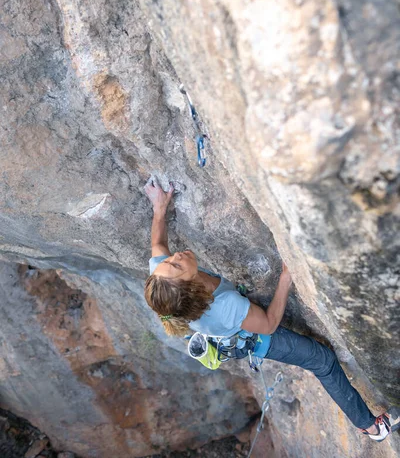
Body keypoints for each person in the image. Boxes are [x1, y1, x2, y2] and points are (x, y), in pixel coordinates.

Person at [144, 177, 396, 442]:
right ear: (191, 289)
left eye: (170, 262)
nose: (177, 257)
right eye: (176, 265)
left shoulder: (164, 284)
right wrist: (285, 279)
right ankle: (372, 428)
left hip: (235, 321)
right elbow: (268, 324)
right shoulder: (224, 307)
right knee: (323, 361)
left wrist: (159, 208)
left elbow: (158, 247)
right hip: (260, 338)